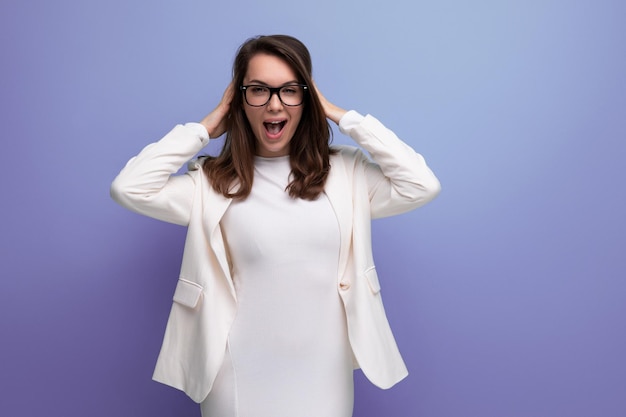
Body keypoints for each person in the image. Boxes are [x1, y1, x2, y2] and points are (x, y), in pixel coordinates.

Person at [111, 34, 440, 417]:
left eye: (289, 90)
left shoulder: (347, 174)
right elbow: (128, 187)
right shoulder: (210, 183)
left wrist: (341, 115)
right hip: (235, 370)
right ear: (239, 100)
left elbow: (422, 184)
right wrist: (204, 127)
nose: (274, 104)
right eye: (258, 90)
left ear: (307, 97)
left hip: (324, 369)